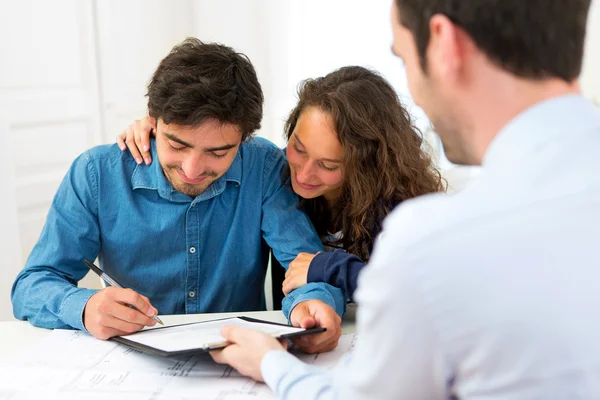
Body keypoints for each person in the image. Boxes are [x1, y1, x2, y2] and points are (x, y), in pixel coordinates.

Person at [209, 0, 600, 398]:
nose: (307, 173)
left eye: (404, 57)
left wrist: (270, 363)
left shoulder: (429, 235)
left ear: (444, 44)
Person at [11, 38, 344, 353]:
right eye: (177, 144)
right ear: (153, 122)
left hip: (237, 360)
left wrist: (312, 306)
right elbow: (32, 285)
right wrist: (85, 308)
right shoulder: (97, 173)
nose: (192, 168)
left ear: (245, 138)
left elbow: (310, 268)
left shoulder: (265, 167)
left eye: (218, 152)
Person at [118, 66, 444, 301]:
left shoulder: (406, 210)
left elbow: (426, 290)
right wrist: (161, 132)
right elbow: (221, 140)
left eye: (328, 165)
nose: (302, 174)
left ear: (368, 165)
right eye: (298, 149)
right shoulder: (278, 176)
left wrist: (327, 266)